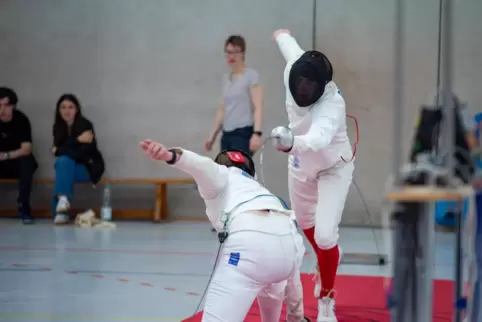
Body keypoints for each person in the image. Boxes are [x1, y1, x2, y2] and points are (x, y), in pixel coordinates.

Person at [140, 139, 306, 322]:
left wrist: (170, 156)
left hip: (250, 243)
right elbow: (292, 273)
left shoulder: (221, 174)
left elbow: (200, 165)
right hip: (289, 247)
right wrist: (296, 317)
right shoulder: (266, 194)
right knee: (273, 280)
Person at [270, 29, 354, 322]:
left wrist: (293, 143)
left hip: (334, 165)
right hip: (301, 163)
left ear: (322, 86)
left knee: (326, 236)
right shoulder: (292, 69)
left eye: (310, 84)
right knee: (304, 222)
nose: (303, 88)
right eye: (300, 81)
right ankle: (327, 257)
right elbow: (290, 48)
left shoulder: (332, 105)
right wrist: (281, 34)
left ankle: (326, 302)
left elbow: (318, 139)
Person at [204, 35, 264, 157]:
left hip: (242, 133)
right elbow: (222, 110)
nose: (231, 56)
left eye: (235, 52)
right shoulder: (226, 79)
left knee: (239, 171)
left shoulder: (251, 75)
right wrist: (211, 137)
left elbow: (258, 107)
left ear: (243, 53)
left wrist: (257, 134)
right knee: (225, 172)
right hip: (226, 134)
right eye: (228, 52)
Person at [51, 94, 105, 224]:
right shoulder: (58, 127)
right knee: (63, 165)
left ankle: (61, 212)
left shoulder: (85, 125)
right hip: (68, 168)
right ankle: (63, 200)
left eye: (70, 107)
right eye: (63, 107)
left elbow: (84, 153)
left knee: (63, 163)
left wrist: (60, 149)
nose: (67, 111)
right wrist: (77, 140)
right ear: (59, 110)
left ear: (76, 109)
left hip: (88, 167)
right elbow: (62, 151)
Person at [0, 87, 38, 224]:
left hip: (15, 163)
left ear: (13, 106)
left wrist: (5, 155)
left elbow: (26, 149)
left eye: (6, 105)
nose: (2, 110)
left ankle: (24, 206)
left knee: (26, 161)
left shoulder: (21, 119)